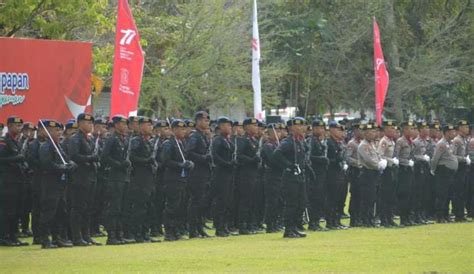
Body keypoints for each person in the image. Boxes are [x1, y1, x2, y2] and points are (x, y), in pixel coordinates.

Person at [38, 120, 76, 248]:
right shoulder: (46, 147)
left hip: (60, 184)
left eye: (60, 130)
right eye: (55, 130)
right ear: (48, 131)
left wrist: (71, 165)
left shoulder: (58, 146)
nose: (59, 132)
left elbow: (67, 159)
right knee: (49, 212)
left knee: (61, 212)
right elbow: (47, 165)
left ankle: (57, 237)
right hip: (50, 184)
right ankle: (44, 239)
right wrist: (63, 168)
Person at [68, 113, 101, 246]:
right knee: (78, 208)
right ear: (80, 123)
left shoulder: (90, 139)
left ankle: (86, 236)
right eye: (87, 122)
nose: (90, 125)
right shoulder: (75, 138)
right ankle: (77, 236)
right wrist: (91, 159)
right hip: (80, 177)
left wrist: (95, 160)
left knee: (88, 208)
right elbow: (74, 156)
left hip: (90, 177)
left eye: (91, 123)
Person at [273, 117, 308, 238]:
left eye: (303, 126)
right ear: (291, 128)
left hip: (300, 177)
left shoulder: (299, 141)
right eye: (298, 126)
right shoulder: (288, 142)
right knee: (291, 204)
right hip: (290, 177)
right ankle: (289, 229)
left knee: (301, 203)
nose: (302, 128)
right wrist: (289, 166)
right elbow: (277, 154)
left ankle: (295, 227)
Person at [161, 119, 194, 241]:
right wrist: (181, 165)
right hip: (172, 179)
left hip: (182, 178)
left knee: (180, 205)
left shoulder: (182, 143)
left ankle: (176, 230)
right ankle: (169, 231)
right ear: (173, 130)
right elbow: (166, 161)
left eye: (184, 129)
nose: (183, 131)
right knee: (172, 206)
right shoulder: (169, 143)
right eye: (180, 129)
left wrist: (189, 164)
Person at [129, 116, 160, 243]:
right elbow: (132, 157)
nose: (150, 127)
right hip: (139, 178)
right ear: (140, 126)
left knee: (148, 206)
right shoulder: (136, 141)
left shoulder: (149, 141)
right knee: (139, 207)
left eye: (151, 125)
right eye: (147, 125)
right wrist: (147, 161)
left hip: (149, 178)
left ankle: (145, 232)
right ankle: (137, 233)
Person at [0, 116, 29, 246]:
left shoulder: (17, 142)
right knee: (7, 210)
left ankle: (13, 236)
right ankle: (4, 236)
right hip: (7, 181)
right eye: (16, 126)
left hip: (18, 181)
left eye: (20, 126)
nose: (19, 128)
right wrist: (17, 158)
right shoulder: (3, 142)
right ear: (10, 126)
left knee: (17, 210)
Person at [101, 115, 130, 245]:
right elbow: (104, 157)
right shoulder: (112, 139)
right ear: (116, 125)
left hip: (123, 177)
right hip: (114, 177)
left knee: (121, 207)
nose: (125, 126)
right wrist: (118, 164)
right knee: (113, 207)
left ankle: (119, 233)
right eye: (122, 124)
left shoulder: (124, 139)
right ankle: (111, 235)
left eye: (126, 124)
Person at [185, 111, 212, 238]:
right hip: (196, 173)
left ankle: (199, 227)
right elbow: (189, 152)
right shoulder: (194, 136)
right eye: (205, 120)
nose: (207, 122)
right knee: (195, 201)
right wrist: (203, 158)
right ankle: (193, 229)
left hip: (204, 172)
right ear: (198, 121)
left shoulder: (203, 135)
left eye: (208, 120)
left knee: (201, 201)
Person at [358, 122, 387, 227]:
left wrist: (381, 161)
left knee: (373, 198)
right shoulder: (363, 145)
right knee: (367, 198)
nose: (373, 134)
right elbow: (368, 160)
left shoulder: (372, 144)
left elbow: (377, 156)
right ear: (365, 133)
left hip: (373, 174)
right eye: (371, 132)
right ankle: (366, 220)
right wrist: (378, 165)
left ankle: (370, 219)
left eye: (374, 131)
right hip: (367, 173)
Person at [211, 117, 235, 237]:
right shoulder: (218, 140)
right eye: (226, 125)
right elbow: (215, 156)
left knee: (228, 200)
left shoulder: (228, 141)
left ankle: (224, 225)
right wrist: (227, 163)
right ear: (220, 127)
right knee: (221, 200)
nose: (229, 128)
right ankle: (219, 227)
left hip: (228, 173)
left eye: (230, 126)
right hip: (220, 173)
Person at [236, 118, 261, 234]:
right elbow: (239, 156)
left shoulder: (254, 140)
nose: (256, 128)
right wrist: (251, 160)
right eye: (253, 125)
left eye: (256, 125)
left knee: (253, 199)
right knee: (245, 200)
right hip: (245, 174)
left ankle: (251, 224)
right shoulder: (243, 140)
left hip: (253, 173)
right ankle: (243, 225)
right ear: (246, 127)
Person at [431, 124, 458, 223]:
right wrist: (433, 169)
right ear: (446, 133)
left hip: (450, 172)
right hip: (443, 171)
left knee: (448, 194)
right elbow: (435, 158)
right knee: (442, 194)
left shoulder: (450, 143)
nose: (454, 134)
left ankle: (446, 215)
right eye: (452, 132)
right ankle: (439, 216)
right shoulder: (441, 144)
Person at [307, 119, 330, 231]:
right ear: (313, 129)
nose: (320, 130)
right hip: (314, 173)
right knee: (314, 198)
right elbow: (308, 157)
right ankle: (313, 222)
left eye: (322, 128)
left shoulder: (321, 141)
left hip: (322, 174)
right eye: (318, 128)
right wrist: (321, 159)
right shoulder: (311, 141)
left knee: (320, 198)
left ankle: (316, 221)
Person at [261, 123, 283, 233]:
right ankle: (270, 224)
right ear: (269, 134)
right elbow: (272, 160)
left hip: (279, 176)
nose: (278, 134)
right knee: (272, 201)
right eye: (275, 132)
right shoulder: (268, 146)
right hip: (271, 176)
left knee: (278, 201)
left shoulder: (277, 145)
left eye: (279, 132)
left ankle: (276, 222)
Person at [326, 121, 348, 229]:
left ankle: (337, 220)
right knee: (332, 199)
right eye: (337, 130)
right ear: (331, 130)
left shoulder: (339, 142)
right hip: (332, 174)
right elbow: (328, 159)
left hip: (340, 173)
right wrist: (337, 160)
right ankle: (330, 222)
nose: (340, 132)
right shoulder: (329, 142)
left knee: (340, 198)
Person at [377, 120, 399, 227]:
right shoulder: (384, 141)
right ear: (385, 130)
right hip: (385, 170)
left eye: (394, 129)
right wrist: (391, 160)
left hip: (392, 170)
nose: (393, 131)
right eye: (391, 129)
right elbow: (379, 156)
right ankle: (384, 219)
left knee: (391, 196)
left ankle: (390, 218)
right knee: (385, 196)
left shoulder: (392, 141)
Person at [395, 121, 415, 226]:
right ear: (405, 130)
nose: (411, 131)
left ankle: (408, 217)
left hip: (410, 171)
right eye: (409, 129)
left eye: (412, 128)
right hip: (403, 171)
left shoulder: (410, 141)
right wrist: (407, 162)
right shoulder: (400, 141)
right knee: (404, 195)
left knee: (410, 195)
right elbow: (396, 158)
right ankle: (403, 219)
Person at [412, 121, 431, 224]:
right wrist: (422, 158)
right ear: (420, 130)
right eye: (424, 129)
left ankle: (423, 215)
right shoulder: (416, 142)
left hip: (425, 169)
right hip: (418, 169)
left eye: (427, 128)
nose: (427, 130)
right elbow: (413, 156)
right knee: (418, 194)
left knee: (425, 193)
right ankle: (417, 215)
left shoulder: (426, 141)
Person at [451, 120, 471, 222]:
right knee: (458, 192)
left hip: (464, 168)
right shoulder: (457, 140)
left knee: (463, 192)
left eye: (467, 127)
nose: (467, 128)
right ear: (460, 128)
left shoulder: (465, 140)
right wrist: (464, 159)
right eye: (465, 127)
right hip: (458, 168)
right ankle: (458, 214)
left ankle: (461, 214)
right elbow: (452, 155)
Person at [345, 123, 362, 227]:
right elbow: (348, 158)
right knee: (355, 195)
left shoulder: (363, 142)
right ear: (355, 131)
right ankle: (353, 218)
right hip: (355, 172)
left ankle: (359, 217)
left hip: (362, 172)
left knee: (361, 196)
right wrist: (358, 163)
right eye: (360, 130)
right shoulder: (352, 143)